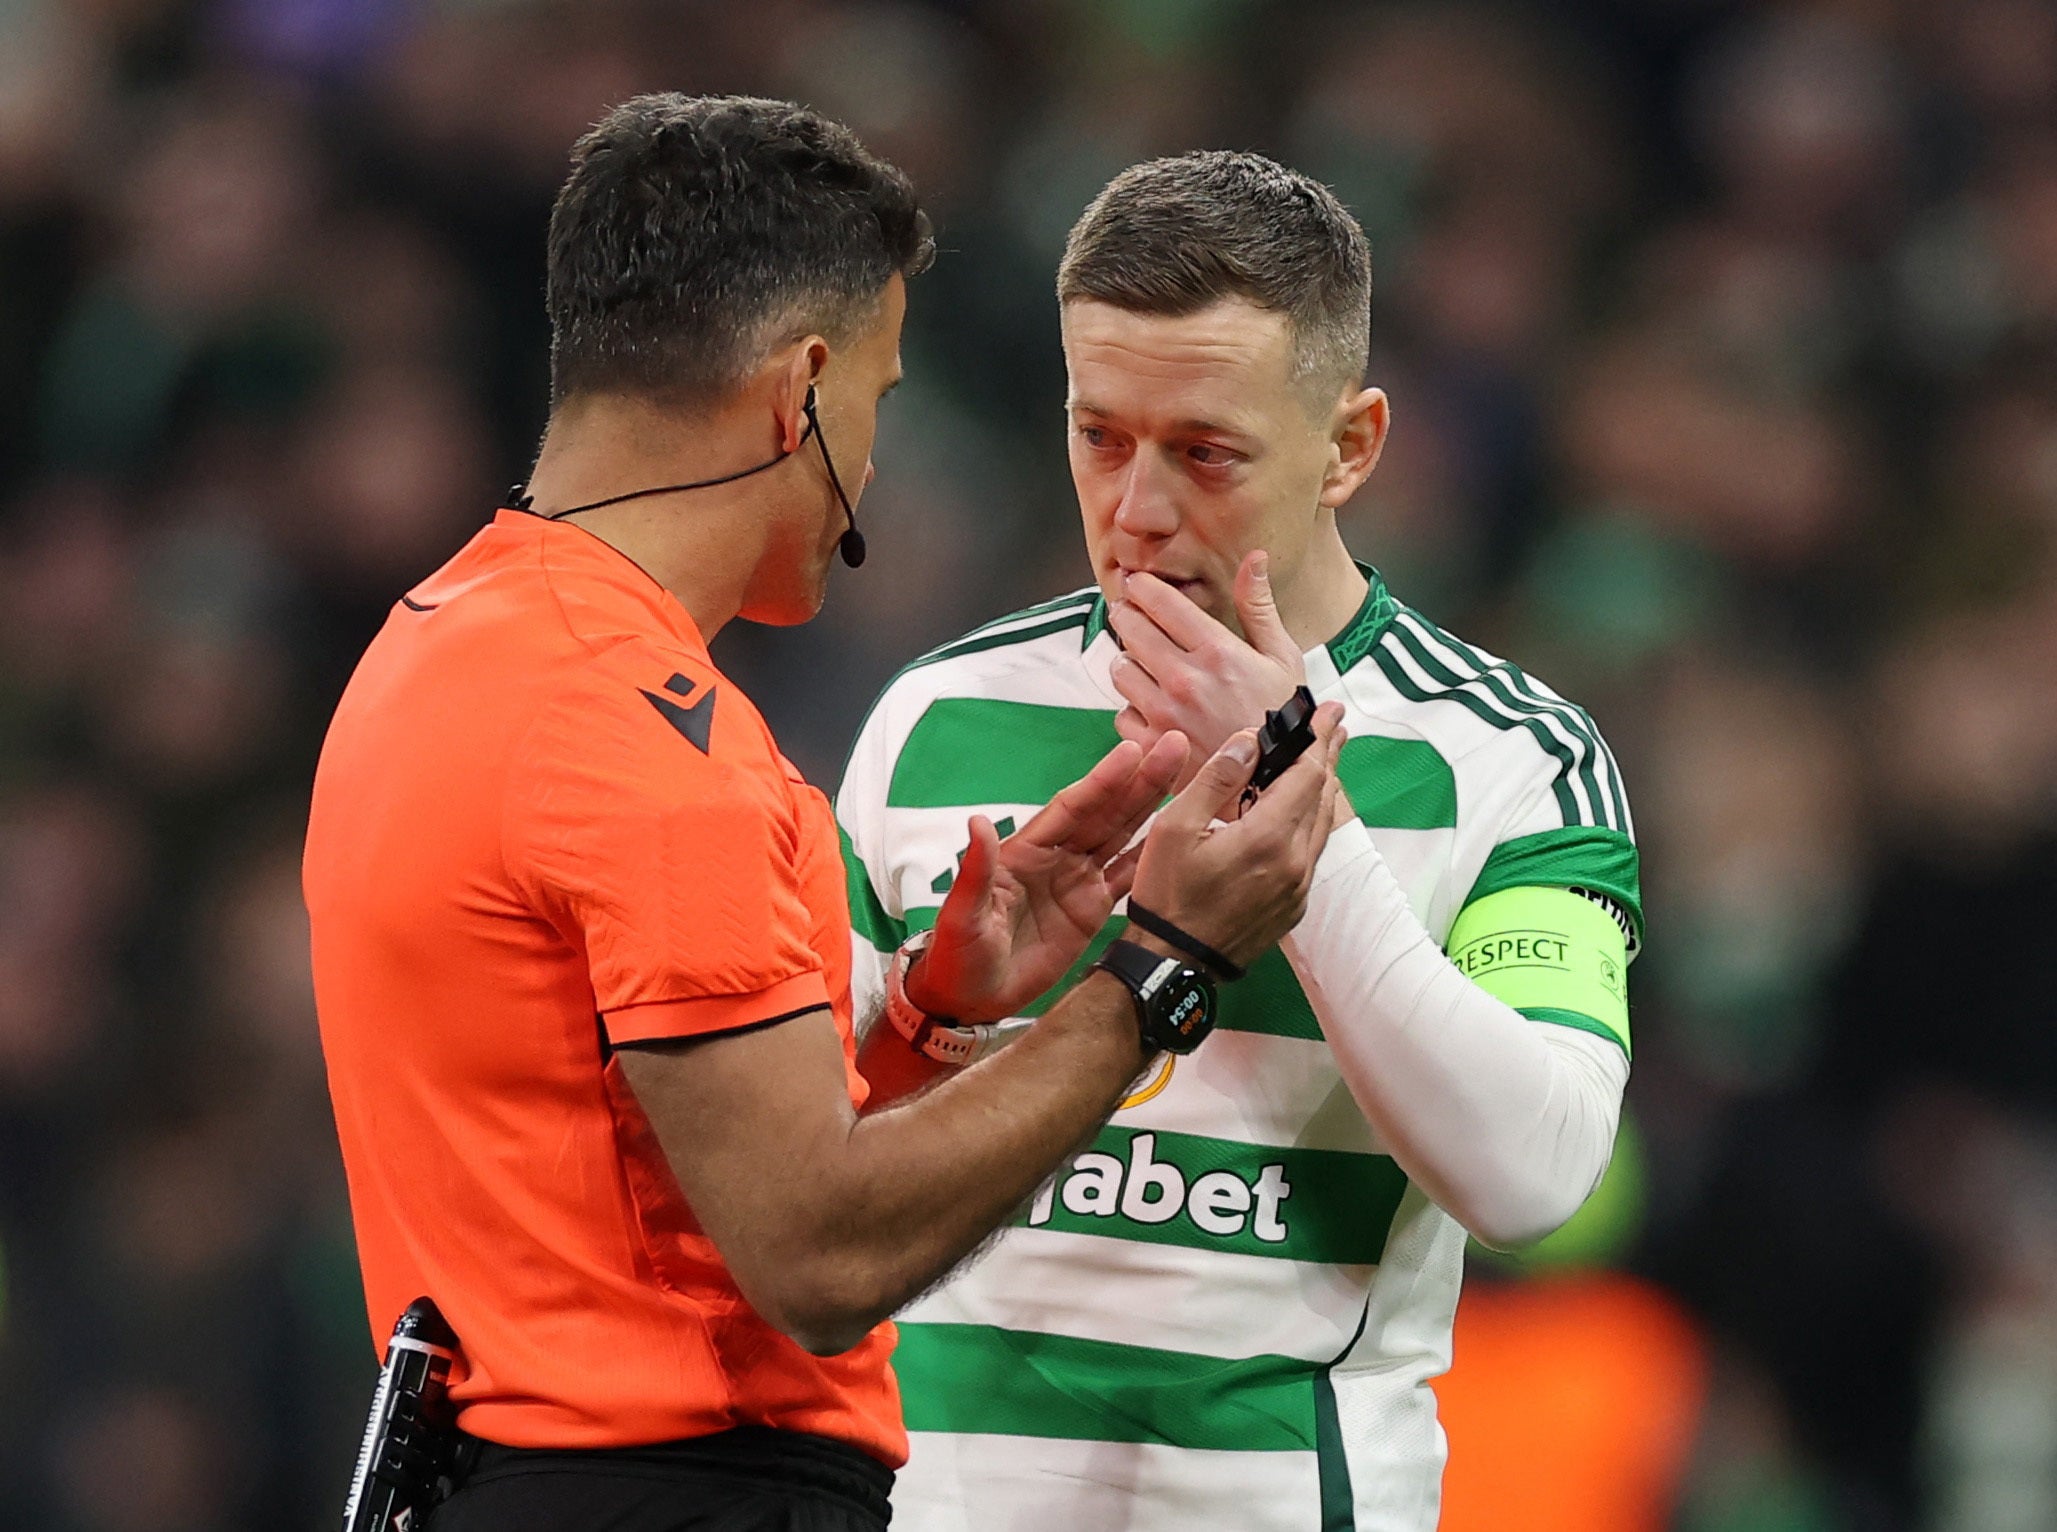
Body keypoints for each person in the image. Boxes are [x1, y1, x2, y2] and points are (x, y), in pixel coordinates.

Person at [304, 98, 1345, 1532]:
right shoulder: (644, 740)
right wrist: (1160, 966)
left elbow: (668, 1183)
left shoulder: (431, 646)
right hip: (683, 1497)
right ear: (801, 388)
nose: (868, 456)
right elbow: (813, 1260)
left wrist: (926, 1020)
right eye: (878, 396)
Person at [838, 151, 1641, 1532]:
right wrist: (936, 1012)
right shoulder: (931, 719)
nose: (1138, 511)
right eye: (1101, 437)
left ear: (1349, 445)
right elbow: (804, 1175)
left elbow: (1534, 1176)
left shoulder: (1512, 758)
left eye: (1205, 452)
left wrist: (1302, 825)